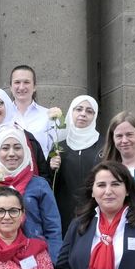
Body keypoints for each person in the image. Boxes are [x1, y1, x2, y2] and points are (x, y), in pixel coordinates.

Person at [0, 127, 61, 261]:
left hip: (34, 258)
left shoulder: (39, 185)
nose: (12, 153)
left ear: (26, 151)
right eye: (5, 148)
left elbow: (53, 229)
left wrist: (54, 264)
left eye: (17, 147)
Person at [50, 95, 103, 237]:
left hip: (96, 212)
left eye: (89, 111)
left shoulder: (103, 146)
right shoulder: (58, 147)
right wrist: (52, 167)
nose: (83, 114)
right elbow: (51, 184)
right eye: (78, 109)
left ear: (95, 116)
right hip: (65, 214)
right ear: (71, 113)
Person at [8, 65, 57, 158]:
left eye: (26, 82)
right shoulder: (4, 116)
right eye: (17, 82)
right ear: (10, 87)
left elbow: (54, 152)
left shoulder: (48, 116)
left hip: (40, 171)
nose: (21, 87)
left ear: (34, 87)